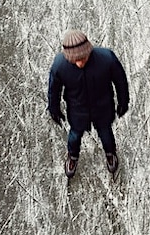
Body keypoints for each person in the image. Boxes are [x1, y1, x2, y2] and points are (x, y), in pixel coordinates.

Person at [47, 30, 129, 178]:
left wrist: (123, 101)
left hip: (103, 107)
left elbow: (120, 81)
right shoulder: (59, 66)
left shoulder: (107, 58)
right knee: (74, 136)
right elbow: (54, 89)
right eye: (75, 60)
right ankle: (72, 156)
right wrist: (54, 108)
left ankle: (110, 153)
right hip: (77, 110)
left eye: (83, 58)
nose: (79, 63)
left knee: (106, 134)